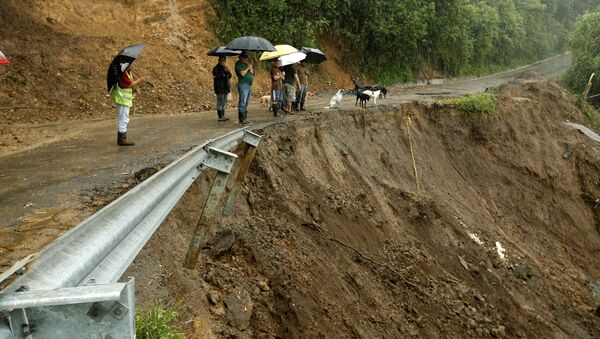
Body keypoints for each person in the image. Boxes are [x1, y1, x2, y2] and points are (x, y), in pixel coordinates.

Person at [112, 63, 145, 146]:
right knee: (124, 118)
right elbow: (129, 84)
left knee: (123, 117)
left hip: (125, 99)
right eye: (131, 64)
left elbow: (131, 82)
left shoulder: (128, 72)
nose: (133, 65)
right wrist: (140, 80)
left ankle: (122, 138)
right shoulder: (123, 74)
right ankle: (122, 140)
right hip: (122, 99)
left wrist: (135, 89)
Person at [234, 51, 254, 125]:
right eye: (244, 57)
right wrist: (248, 68)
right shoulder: (238, 64)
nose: (246, 58)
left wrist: (251, 69)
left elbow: (252, 73)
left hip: (248, 84)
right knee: (242, 101)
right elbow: (242, 73)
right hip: (243, 84)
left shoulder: (246, 64)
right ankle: (242, 120)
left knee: (246, 102)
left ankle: (245, 118)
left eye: (246, 57)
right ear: (240, 57)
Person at [212, 56, 231, 122]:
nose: (223, 62)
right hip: (219, 88)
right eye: (221, 60)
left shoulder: (225, 68)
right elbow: (218, 77)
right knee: (220, 102)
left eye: (224, 60)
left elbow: (230, 76)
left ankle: (223, 116)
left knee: (224, 102)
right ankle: (220, 117)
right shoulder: (216, 68)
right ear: (219, 61)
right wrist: (224, 73)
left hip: (226, 88)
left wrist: (227, 71)